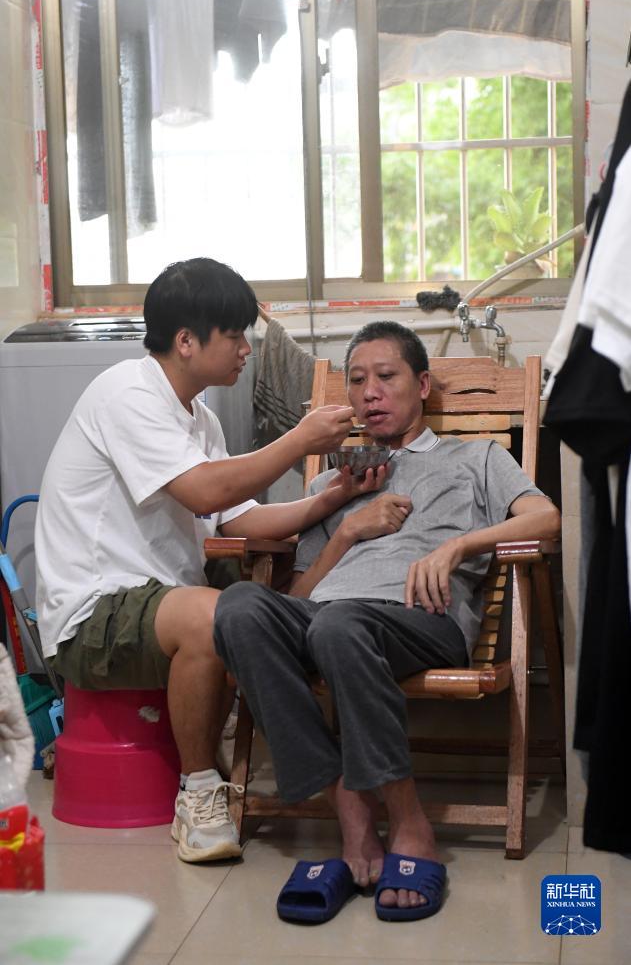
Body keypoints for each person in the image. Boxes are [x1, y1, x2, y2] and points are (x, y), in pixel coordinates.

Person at [34, 257, 385, 864]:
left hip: (158, 598)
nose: (246, 350)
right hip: (90, 616)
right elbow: (203, 493)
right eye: (234, 336)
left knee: (257, 606)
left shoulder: (201, 419)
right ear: (186, 341)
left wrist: (329, 499)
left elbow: (238, 518)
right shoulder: (127, 394)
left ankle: (298, 770)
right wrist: (300, 439)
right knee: (215, 616)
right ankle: (197, 792)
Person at [213, 320, 561, 921]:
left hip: (417, 620)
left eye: (385, 376)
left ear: (421, 384)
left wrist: (458, 546)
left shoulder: (476, 457)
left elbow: (546, 518)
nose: (369, 392)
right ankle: (350, 807)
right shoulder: (337, 482)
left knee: (340, 625)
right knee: (239, 607)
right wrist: (346, 529)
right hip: (327, 619)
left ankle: (406, 819)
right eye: (356, 381)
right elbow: (300, 596)